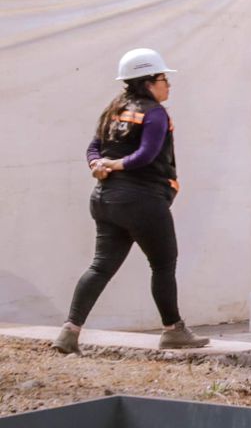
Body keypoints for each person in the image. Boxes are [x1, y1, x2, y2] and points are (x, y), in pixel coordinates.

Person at [53, 49, 209, 354]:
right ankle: (173, 331)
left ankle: (69, 332)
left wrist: (97, 164)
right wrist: (115, 164)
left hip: (105, 200)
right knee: (163, 264)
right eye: (164, 79)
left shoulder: (115, 109)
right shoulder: (154, 113)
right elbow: (146, 154)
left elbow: (93, 147)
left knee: (101, 266)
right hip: (142, 201)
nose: (168, 85)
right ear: (148, 81)